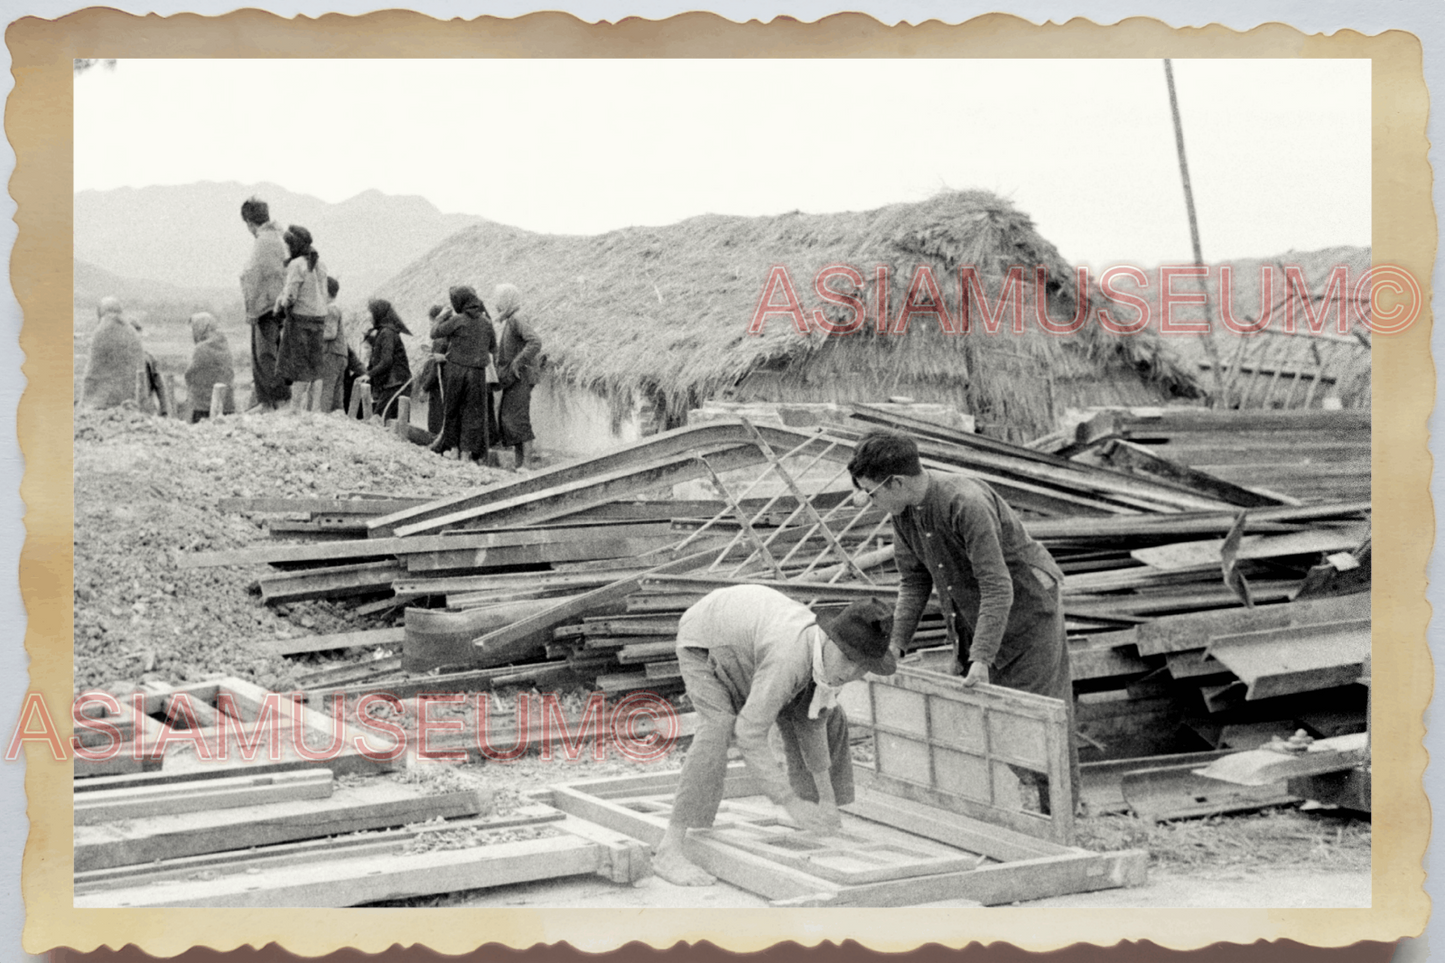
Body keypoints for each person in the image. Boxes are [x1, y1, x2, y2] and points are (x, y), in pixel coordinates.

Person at [846, 429, 1079, 814]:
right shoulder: (903, 513)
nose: (870, 502)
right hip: (973, 607)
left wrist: (982, 658)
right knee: (975, 711)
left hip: (1026, 608)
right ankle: (1000, 811)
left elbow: (998, 585)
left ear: (898, 482)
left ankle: (1060, 817)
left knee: (1037, 715)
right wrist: (894, 645)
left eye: (872, 492)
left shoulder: (964, 502)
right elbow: (914, 581)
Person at [652, 584, 896, 887]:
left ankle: (812, 816)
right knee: (719, 725)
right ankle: (669, 849)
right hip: (706, 637)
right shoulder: (790, 656)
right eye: (847, 660)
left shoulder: (825, 659)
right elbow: (750, 733)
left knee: (827, 714)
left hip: (749, 636)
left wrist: (826, 799)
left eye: (862, 667)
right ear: (831, 639)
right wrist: (789, 802)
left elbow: (811, 721)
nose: (850, 672)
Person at [428, 285, 497, 463]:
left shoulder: (457, 320)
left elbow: (434, 333)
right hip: (477, 373)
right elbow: (492, 347)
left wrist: (441, 316)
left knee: (452, 410)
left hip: (455, 371)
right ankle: (466, 454)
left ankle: (454, 450)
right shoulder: (486, 323)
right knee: (472, 414)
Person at [238, 197, 290, 411]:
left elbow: (256, 275)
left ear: (250, 222)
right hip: (279, 304)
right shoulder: (278, 235)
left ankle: (274, 402)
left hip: (266, 306)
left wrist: (252, 308)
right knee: (271, 354)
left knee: (264, 355)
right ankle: (271, 402)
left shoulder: (264, 240)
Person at [273, 224, 329, 410]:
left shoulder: (297, 265)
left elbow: (290, 297)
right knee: (316, 365)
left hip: (301, 319)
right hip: (319, 318)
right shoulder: (319, 264)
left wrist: (279, 306)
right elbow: (323, 293)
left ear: (293, 245)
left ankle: (295, 407)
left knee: (299, 365)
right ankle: (315, 408)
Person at [491, 283, 544, 470]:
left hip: (521, 377)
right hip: (513, 378)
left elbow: (535, 342)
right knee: (509, 419)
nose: (497, 306)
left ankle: (527, 464)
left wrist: (517, 362)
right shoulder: (511, 319)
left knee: (518, 419)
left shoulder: (518, 319)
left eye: (499, 301)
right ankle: (518, 462)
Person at [79, 296, 147, 410]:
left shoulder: (101, 332)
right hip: (130, 402)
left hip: (101, 403)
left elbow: (92, 372)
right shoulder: (132, 332)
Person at [361, 298, 412, 420]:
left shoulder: (387, 333)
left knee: (379, 419)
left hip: (396, 383)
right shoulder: (385, 332)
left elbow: (386, 361)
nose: (369, 317)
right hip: (395, 383)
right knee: (393, 422)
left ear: (378, 313)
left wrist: (369, 375)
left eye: (371, 313)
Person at [182, 312, 235, 422]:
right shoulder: (225, 345)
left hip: (203, 407)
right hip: (227, 405)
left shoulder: (201, 349)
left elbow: (190, 375)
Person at [414, 304, 449, 437]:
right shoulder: (449, 336)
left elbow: (435, 369)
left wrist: (424, 388)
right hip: (448, 385)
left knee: (436, 418)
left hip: (438, 388)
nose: (430, 325)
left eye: (431, 322)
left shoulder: (439, 340)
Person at [318, 276, 350, 413]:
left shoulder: (330, 309)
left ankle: (324, 416)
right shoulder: (335, 308)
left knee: (327, 389)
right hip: (340, 354)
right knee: (337, 391)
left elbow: (330, 333)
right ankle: (338, 416)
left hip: (331, 353)